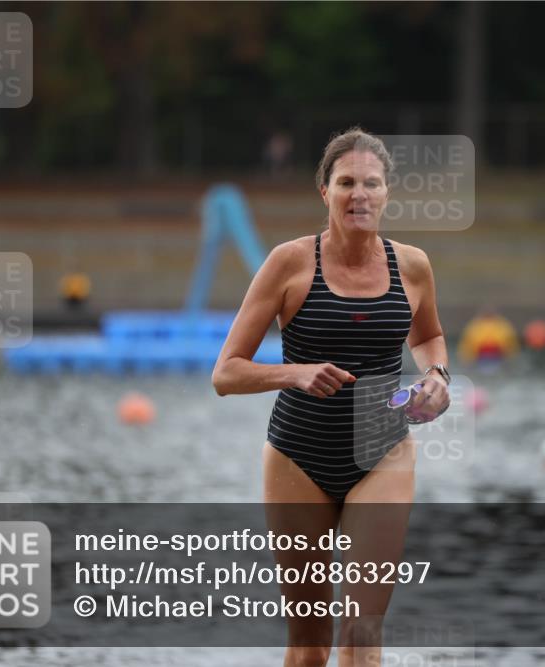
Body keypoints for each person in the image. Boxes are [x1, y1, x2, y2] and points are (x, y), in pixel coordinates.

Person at [212, 127, 451, 667]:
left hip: (383, 451)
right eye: (346, 182)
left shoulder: (412, 265)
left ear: (387, 192)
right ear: (325, 191)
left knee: (363, 640)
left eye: (371, 183)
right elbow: (225, 374)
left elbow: (429, 336)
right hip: (298, 458)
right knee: (310, 646)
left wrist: (437, 374)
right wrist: (292, 373)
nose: (358, 194)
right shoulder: (288, 264)